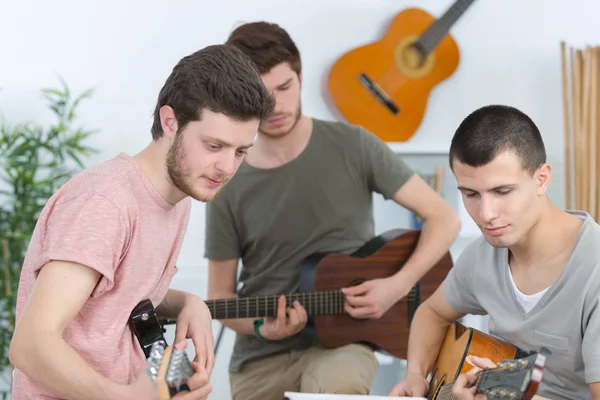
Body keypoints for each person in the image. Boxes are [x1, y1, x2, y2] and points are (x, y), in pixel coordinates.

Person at [204, 21, 461, 400]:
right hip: (260, 358)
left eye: (285, 87)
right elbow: (221, 299)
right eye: (261, 94)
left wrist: (397, 285)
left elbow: (446, 218)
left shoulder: (354, 145)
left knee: (340, 386)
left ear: (301, 77)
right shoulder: (226, 176)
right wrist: (262, 328)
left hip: (344, 348)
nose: (276, 105)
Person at [9, 44, 275, 400]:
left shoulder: (178, 195)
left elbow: (119, 296)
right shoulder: (105, 205)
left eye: (240, 151)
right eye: (214, 146)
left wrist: (185, 302)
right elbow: (30, 344)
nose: (227, 168)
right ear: (170, 122)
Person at [389, 104, 600, 400]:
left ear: (542, 179)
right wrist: (415, 376)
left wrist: (512, 396)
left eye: (502, 192)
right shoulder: (481, 256)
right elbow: (432, 312)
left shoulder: (595, 269)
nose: (486, 214)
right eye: (470, 194)